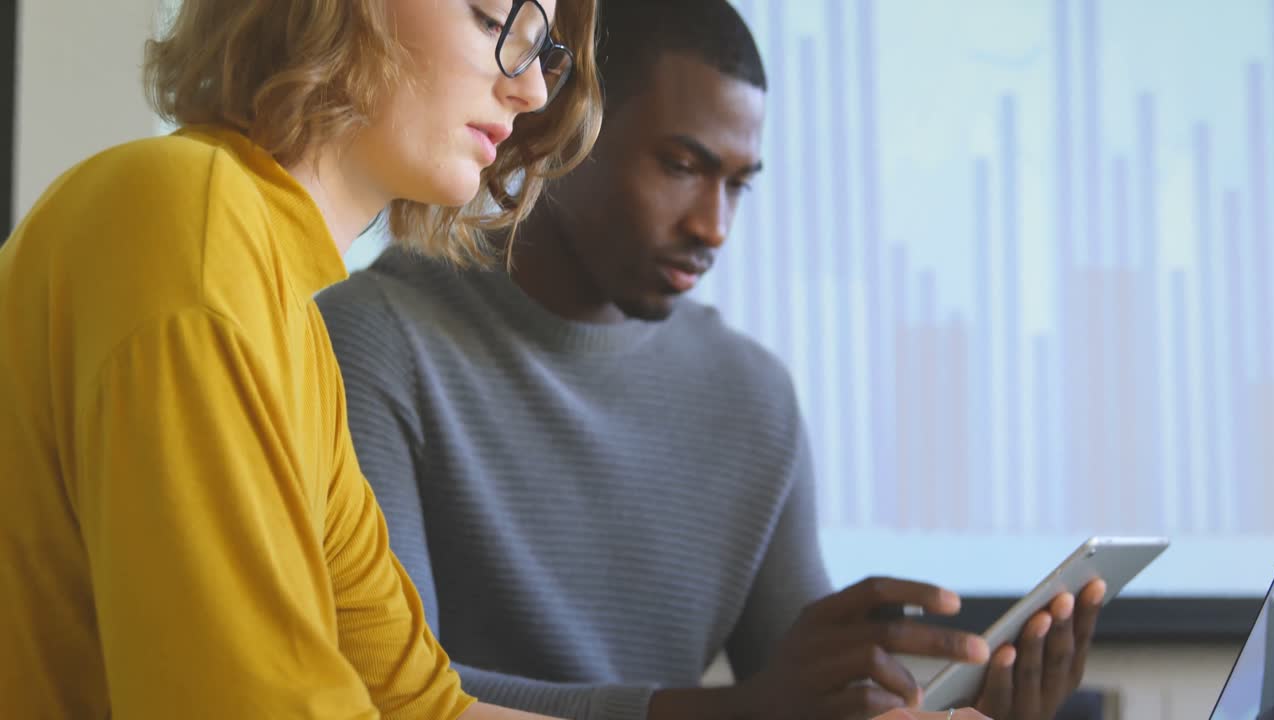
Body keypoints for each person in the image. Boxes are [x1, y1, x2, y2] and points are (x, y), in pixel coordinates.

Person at [318, 1, 1102, 720]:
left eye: (737, 185)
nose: (714, 227)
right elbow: (390, 696)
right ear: (564, 131)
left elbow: (799, 698)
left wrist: (966, 703)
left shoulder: (751, 396)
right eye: (682, 166)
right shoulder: (374, 340)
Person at [0, 0, 602, 717]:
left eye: (541, 50)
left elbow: (422, 705)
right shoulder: (189, 230)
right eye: (489, 18)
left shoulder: (277, 300)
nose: (532, 91)